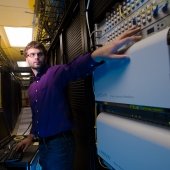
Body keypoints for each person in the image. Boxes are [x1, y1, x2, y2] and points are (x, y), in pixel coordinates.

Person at [16, 26, 141, 170]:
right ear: (26, 58)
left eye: (40, 54)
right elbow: (37, 116)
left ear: (45, 56)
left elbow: (75, 67)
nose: (36, 57)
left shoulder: (54, 73)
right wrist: (31, 137)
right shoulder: (32, 88)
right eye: (32, 54)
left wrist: (97, 55)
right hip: (43, 145)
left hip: (60, 143)